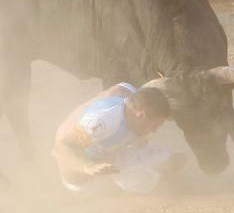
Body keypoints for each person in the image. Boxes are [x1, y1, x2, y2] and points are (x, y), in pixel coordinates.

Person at [52, 82, 187, 194]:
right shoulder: (101, 124)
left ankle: (156, 173)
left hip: (110, 150)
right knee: (82, 189)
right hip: (83, 163)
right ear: (141, 116)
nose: (154, 130)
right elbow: (59, 148)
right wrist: (87, 167)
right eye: (155, 125)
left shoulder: (129, 95)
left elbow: (121, 89)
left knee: (160, 155)